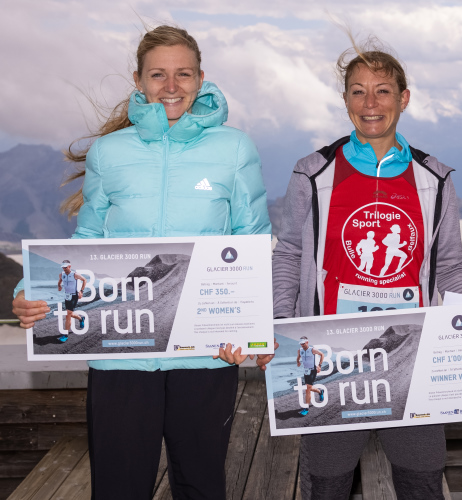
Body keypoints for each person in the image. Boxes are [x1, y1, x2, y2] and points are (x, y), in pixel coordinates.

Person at [11, 25, 271, 499]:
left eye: (183, 74)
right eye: (158, 74)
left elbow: (252, 240)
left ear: (201, 78)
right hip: (121, 352)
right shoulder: (110, 152)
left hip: (205, 353)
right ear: (138, 80)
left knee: (200, 485)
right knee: (119, 488)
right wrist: (31, 291)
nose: (171, 86)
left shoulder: (234, 149)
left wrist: (248, 326)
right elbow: (88, 240)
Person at [249, 37, 462, 500]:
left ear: (403, 98)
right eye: (358, 91)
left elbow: (449, 265)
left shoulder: (434, 178)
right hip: (331, 358)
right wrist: (278, 324)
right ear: (345, 100)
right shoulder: (313, 172)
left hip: (412, 357)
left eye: (383, 90)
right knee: (328, 486)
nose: (370, 103)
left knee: (422, 483)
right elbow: (288, 253)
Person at [57, 259, 87, 342]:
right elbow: (60, 281)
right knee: (70, 313)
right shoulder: (61, 274)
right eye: (63, 267)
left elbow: (84, 280)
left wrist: (81, 291)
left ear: (69, 266)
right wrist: (59, 285)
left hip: (74, 296)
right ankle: (81, 318)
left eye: (65, 267)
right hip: (67, 296)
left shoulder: (75, 274)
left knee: (68, 315)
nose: (64, 268)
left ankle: (65, 335)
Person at [297, 336, 326, 415]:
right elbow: (298, 357)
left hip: (313, 370)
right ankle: (320, 391)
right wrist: (298, 362)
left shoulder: (312, 350)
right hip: (306, 371)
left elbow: (322, 354)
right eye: (301, 344)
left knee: (307, 389)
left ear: (307, 342)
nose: (302, 345)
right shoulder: (300, 350)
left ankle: (306, 408)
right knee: (309, 387)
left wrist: (319, 365)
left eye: (303, 343)